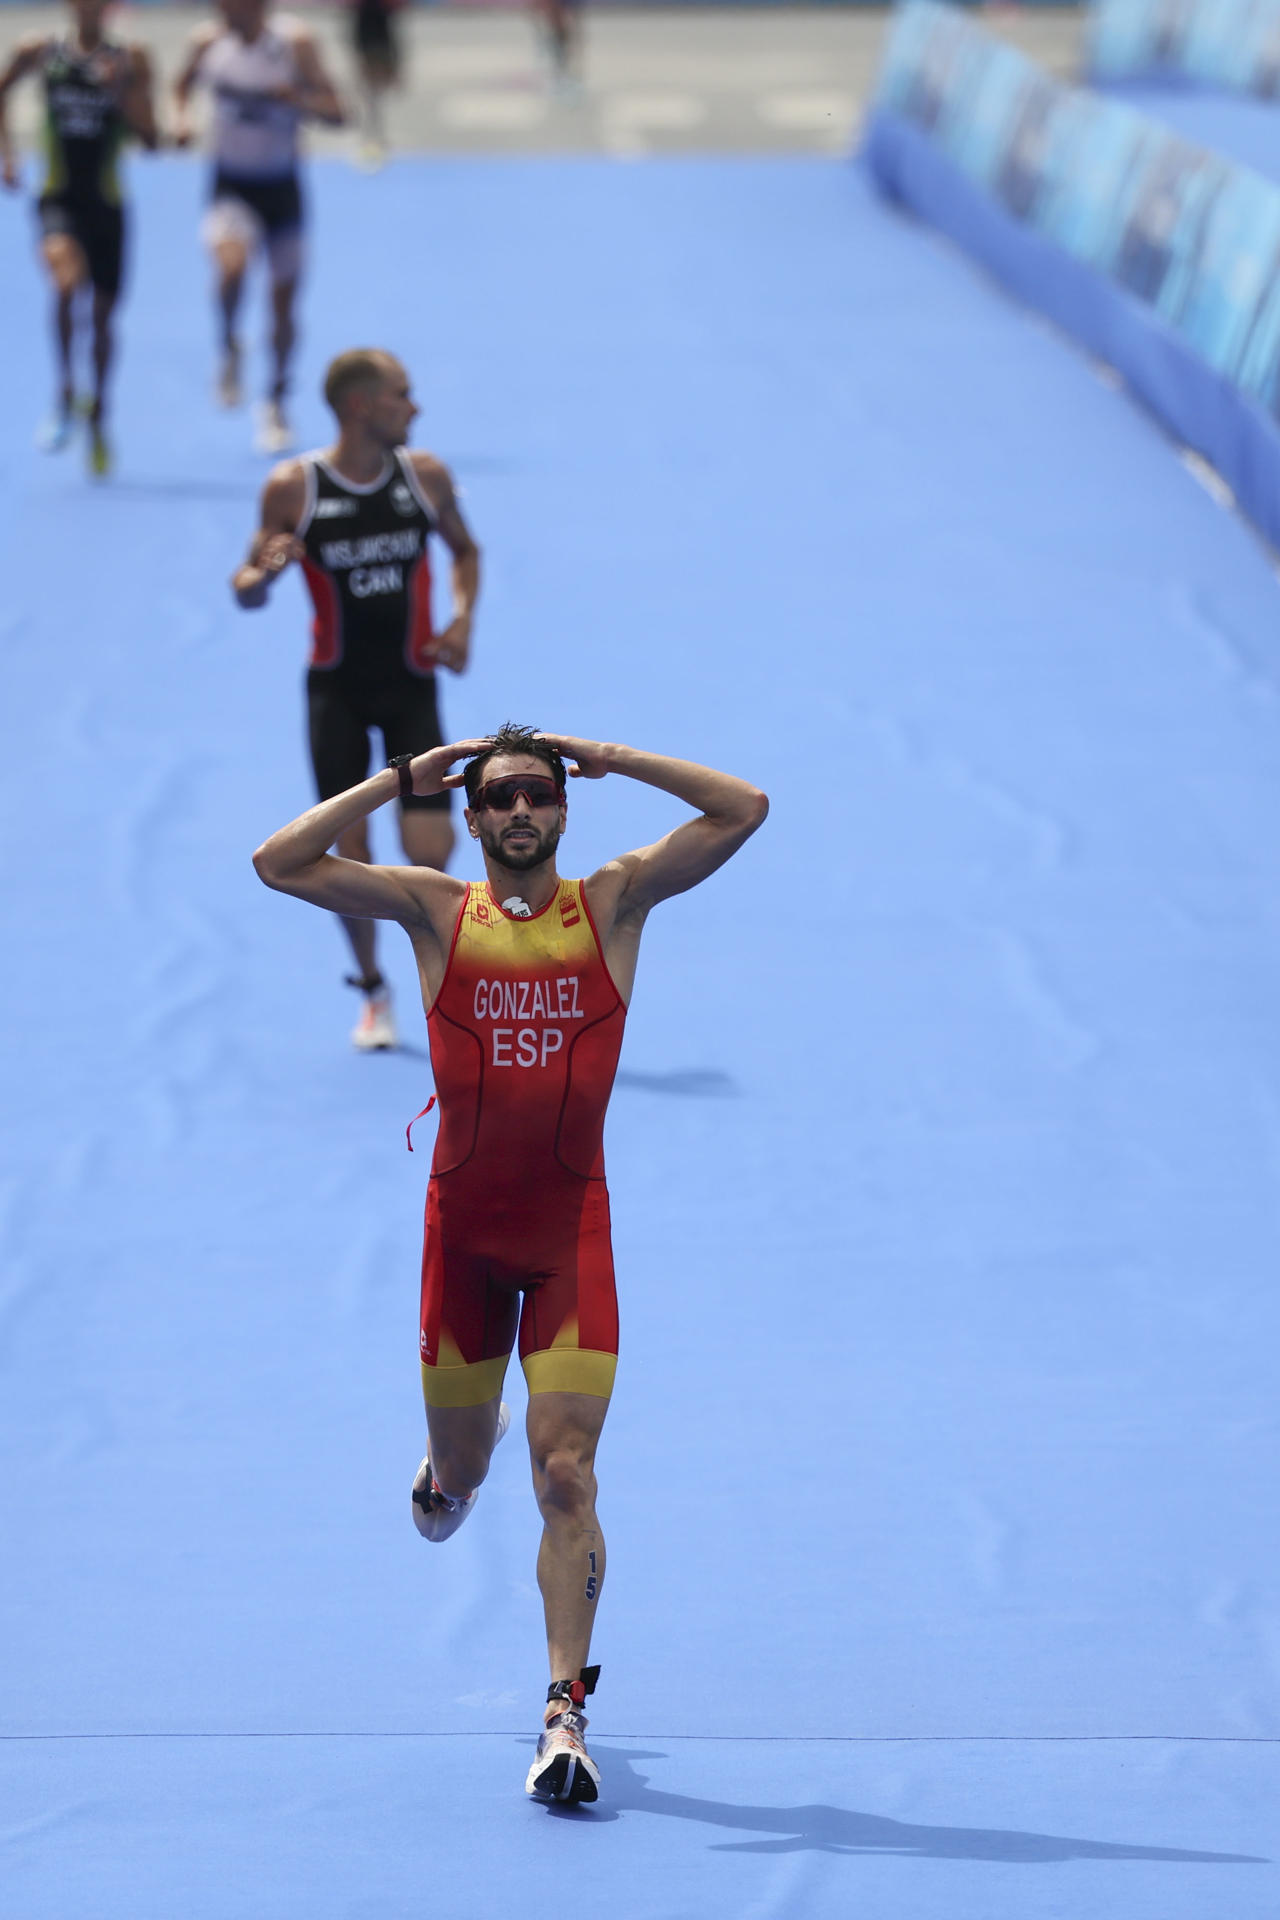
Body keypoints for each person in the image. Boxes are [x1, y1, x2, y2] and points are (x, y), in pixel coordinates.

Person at [252, 723, 768, 1804]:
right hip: (465, 1247)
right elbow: (280, 861)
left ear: (562, 808)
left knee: (566, 1472)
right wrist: (402, 778)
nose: (522, 808)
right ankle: (444, 1471)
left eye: (538, 791)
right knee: (467, 1482)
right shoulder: (438, 911)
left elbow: (741, 808)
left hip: (568, 1235)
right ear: (476, 818)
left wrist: (613, 756)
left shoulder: (614, 902)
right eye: (500, 797)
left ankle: (562, 1717)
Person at [232, 348, 480, 1050]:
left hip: (411, 684)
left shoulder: (423, 478)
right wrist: (263, 574)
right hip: (336, 691)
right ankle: (373, 989)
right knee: (348, 849)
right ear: (361, 406)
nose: (416, 407)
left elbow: (465, 551)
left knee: (429, 849)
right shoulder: (293, 487)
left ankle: (434, 959)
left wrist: (461, 620)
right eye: (404, 394)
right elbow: (245, 586)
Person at [173, 0, 343, 454]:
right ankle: (229, 345)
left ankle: (276, 399)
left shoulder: (294, 43)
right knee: (230, 271)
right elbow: (181, 84)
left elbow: (338, 111)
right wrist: (182, 118)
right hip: (231, 186)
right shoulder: (209, 43)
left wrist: (299, 100)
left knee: (283, 305)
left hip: (282, 188)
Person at [0, 0, 158, 476]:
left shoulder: (130, 59)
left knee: (104, 320)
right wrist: (9, 153)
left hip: (107, 206)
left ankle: (100, 412)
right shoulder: (42, 51)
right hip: (60, 199)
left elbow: (152, 138)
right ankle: (66, 390)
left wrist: (121, 92)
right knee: (66, 286)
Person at [345, 0, 402, 170]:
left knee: (372, 99)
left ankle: (374, 137)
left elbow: (390, 36)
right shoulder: (366, 8)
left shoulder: (379, 8)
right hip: (370, 54)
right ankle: (369, 137)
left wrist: (395, 65)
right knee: (368, 99)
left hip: (377, 54)